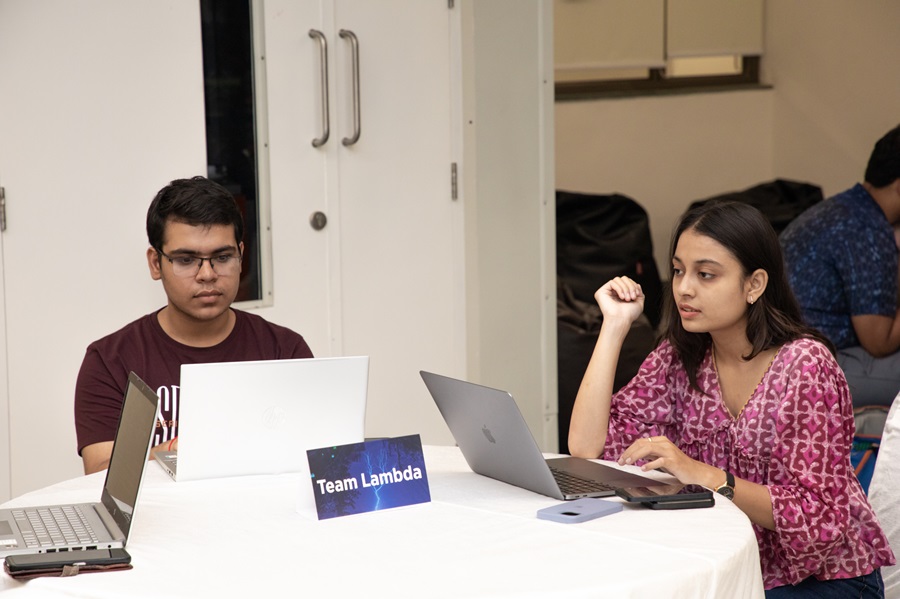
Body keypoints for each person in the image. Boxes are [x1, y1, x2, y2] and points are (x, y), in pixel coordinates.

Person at [568, 201, 894, 596]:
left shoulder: (806, 366)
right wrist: (615, 327)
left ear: (754, 284)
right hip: (732, 567)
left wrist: (703, 474)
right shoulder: (680, 356)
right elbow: (587, 446)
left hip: (824, 578)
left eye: (706, 275)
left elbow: (819, 519)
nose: (684, 288)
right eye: (678, 270)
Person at [75, 176, 313, 475]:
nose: (207, 274)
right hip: (157, 519)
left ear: (241, 255)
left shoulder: (284, 350)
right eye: (186, 259)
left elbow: (313, 454)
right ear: (155, 264)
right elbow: (99, 471)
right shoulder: (111, 359)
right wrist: (174, 451)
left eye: (222, 257)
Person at [780, 124, 900, 408]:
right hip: (811, 369)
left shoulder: (846, 208)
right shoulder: (867, 231)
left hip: (786, 356)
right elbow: (879, 342)